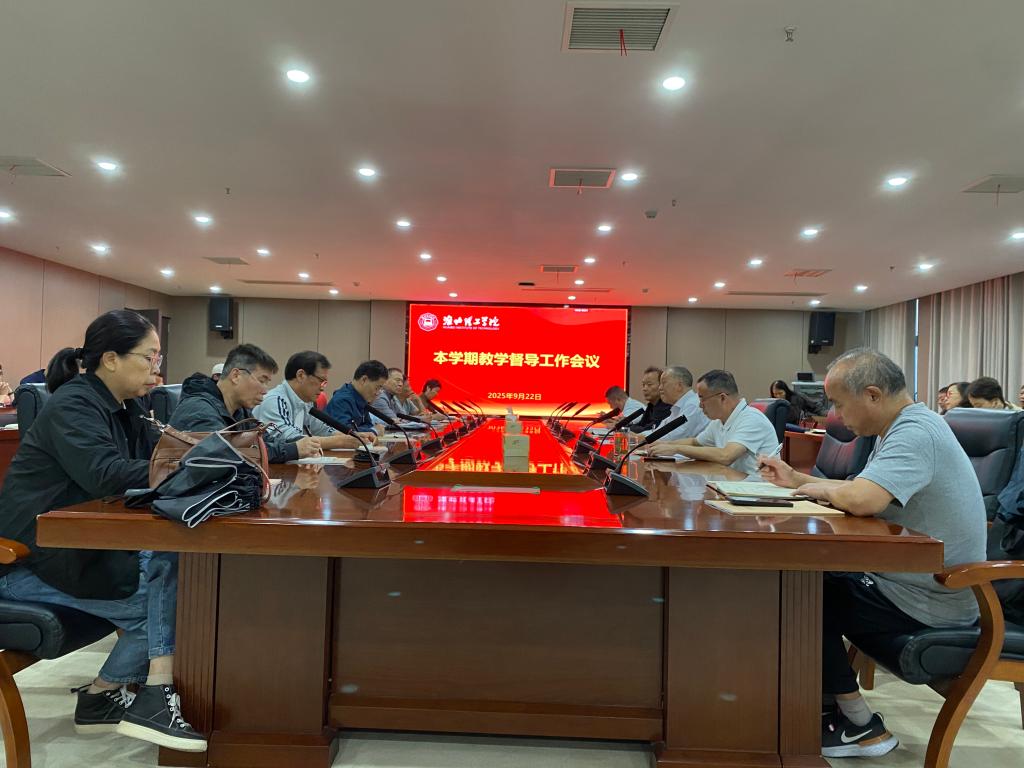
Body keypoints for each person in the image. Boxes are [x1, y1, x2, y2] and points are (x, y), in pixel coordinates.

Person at [759, 348, 986, 759]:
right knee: (807, 580)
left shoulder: (916, 432)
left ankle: (860, 726)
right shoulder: (902, 428)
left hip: (934, 600)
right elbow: (860, 491)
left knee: (802, 590)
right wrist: (795, 479)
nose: (836, 414)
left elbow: (863, 499)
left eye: (839, 403)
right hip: (910, 583)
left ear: (873, 394)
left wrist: (810, 488)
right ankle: (825, 709)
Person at [0, 310, 206, 751]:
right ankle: (131, 695)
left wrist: (195, 460)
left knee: (183, 578)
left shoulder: (127, 406)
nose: (157, 368)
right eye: (149, 357)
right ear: (111, 359)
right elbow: (106, 474)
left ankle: (107, 694)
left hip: (79, 550)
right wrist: (186, 468)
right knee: (172, 602)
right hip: (28, 561)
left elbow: (153, 463)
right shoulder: (74, 405)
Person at [170, 344, 321, 462]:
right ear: (236, 376)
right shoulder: (199, 408)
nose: (265, 390)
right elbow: (226, 455)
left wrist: (301, 442)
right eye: (262, 381)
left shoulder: (239, 411)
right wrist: (294, 450)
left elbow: (265, 441)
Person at [649, 369, 777, 476]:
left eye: (702, 399)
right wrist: (664, 445)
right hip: (732, 484)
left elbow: (726, 456)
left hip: (758, 490)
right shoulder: (718, 421)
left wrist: (676, 449)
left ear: (722, 398)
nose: (700, 405)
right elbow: (695, 442)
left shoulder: (751, 419)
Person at [253, 351, 374, 449]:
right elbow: (288, 439)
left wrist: (354, 436)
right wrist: (341, 442)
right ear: (301, 375)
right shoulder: (275, 400)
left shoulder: (305, 402)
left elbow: (323, 430)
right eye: (321, 381)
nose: (322, 388)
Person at [643, 366, 709, 442]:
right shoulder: (677, 408)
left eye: (663, 383)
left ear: (679, 386)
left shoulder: (693, 405)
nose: (660, 388)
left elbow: (672, 437)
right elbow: (658, 432)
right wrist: (638, 436)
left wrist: (641, 438)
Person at [325, 360, 389, 434]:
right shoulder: (342, 400)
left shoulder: (361, 398)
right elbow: (346, 431)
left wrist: (370, 429)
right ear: (364, 380)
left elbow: (368, 425)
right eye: (377, 387)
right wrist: (374, 431)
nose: (378, 393)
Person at [629, 366, 672, 433]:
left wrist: (633, 428)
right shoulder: (651, 406)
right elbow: (640, 425)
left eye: (649, 384)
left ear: (661, 386)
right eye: (643, 385)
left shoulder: (666, 406)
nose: (644, 389)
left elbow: (650, 430)